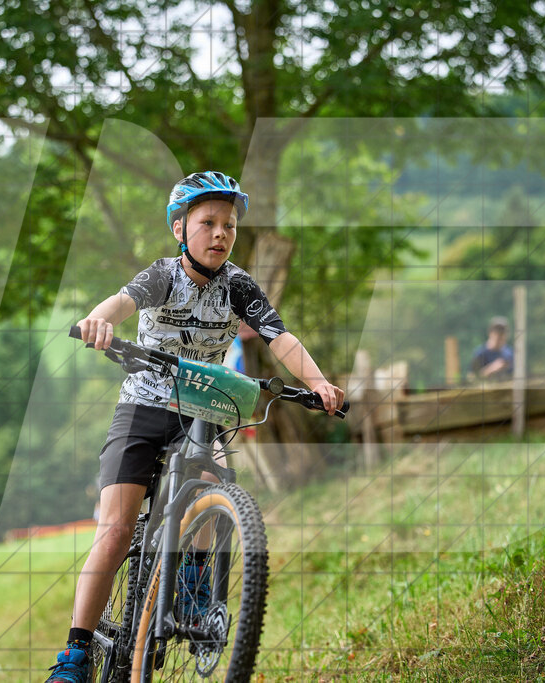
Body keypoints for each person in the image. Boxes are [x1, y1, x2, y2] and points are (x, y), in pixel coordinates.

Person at [45, 171, 345, 683]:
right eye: (208, 223)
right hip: (143, 406)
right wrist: (99, 320)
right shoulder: (164, 275)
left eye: (229, 224)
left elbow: (279, 337)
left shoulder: (240, 286)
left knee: (213, 484)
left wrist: (317, 381)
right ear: (181, 229)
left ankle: (192, 586)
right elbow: (120, 303)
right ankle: (74, 654)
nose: (221, 233)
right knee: (116, 530)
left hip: (204, 410)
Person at [471, 316, 514, 380]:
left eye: (503, 331)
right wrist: (492, 369)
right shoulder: (480, 353)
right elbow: (472, 377)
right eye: (497, 331)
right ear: (490, 333)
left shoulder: (510, 353)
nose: (500, 334)